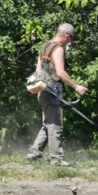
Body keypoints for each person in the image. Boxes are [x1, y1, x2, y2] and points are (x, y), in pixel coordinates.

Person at [27, 23, 89, 166]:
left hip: (41, 89)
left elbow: (38, 70)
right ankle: (57, 159)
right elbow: (60, 72)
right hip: (52, 90)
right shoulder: (58, 49)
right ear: (66, 35)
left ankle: (35, 152)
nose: (70, 42)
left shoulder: (45, 46)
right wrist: (76, 87)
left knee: (48, 122)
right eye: (71, 38)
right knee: (55, 124)